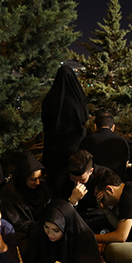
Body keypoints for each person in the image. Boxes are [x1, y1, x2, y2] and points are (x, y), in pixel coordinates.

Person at [41, 65, 89, 196]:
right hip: (74, 145)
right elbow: (84, 117)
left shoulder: (49, 99)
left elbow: (45, 121)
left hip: (54, 146)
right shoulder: (77, 99)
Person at [0, 153, 52, 235]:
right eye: (33, 179)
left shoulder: (42, 186)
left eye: (39, 178)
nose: (37, 182)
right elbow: (15, 222)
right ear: (24, 178)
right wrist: (38, 227)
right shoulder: (9, 192)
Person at [59, 150, 112, 233]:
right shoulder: (63, 179)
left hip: (98, 215)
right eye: (73, 179)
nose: (77, 184)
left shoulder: (104, 176)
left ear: (91, 171)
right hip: (76, 216)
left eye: (82, 180)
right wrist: (72, 201)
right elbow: (61, 210)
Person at [80, 111, 130, 180]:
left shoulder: (87, 141)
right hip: (117, 180)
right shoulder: (122, 141)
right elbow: (125, 162)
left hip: (95, 180)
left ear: (95, 126)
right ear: (113, 127)